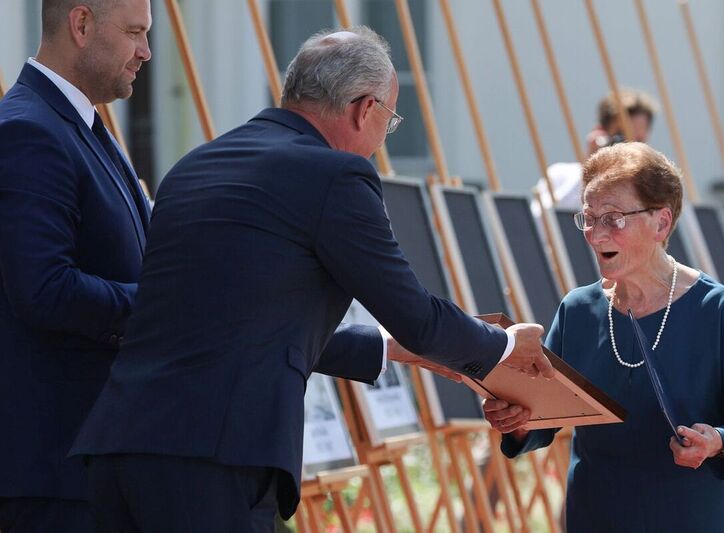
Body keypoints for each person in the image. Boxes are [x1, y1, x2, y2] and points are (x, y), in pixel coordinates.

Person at [71, 27, 553, 532]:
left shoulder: (196, 165)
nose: (380, 140)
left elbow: (240, 321)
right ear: (365, 109)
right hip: (215, 456)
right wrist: (502, 347)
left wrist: (395, 349)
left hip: (120, 443)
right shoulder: (336, 176)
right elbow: (416, 315)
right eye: (390, 121)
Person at [485, 142, 724, 532]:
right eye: (588, 217)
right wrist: (516, 420)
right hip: (599, 514)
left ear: (661, 222)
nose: (594, 233)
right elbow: (543, 417)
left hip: (694, 516)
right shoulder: (578, 309)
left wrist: (718, 441)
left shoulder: (716, 307)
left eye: (613, 218)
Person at [0, 1, 152, 531]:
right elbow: (43, 288)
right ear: (81, 24)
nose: (145, 53)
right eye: (135, 33)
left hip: (92, 467)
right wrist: (161, 305)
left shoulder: (83, 125)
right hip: (54, 477)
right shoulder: (29, 130)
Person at [538, 89, 658, 211]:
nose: (629, 147)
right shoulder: (558, 175)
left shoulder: (648, 191)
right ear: (601, 133)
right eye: (621, 137)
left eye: (638, 141)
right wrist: (589, 174)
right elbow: (543, 221)